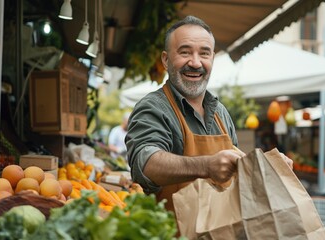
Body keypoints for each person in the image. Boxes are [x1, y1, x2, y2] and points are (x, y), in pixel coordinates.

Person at [125, 15, 293, 212]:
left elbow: (235, 174)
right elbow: (145, 163)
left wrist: (268, 167)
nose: (195, 63)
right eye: (185, 52)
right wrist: (206, 166)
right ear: (165, 59)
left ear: (212, 58)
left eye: (204, 54)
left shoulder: (220, 112)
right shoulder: (153, 107)